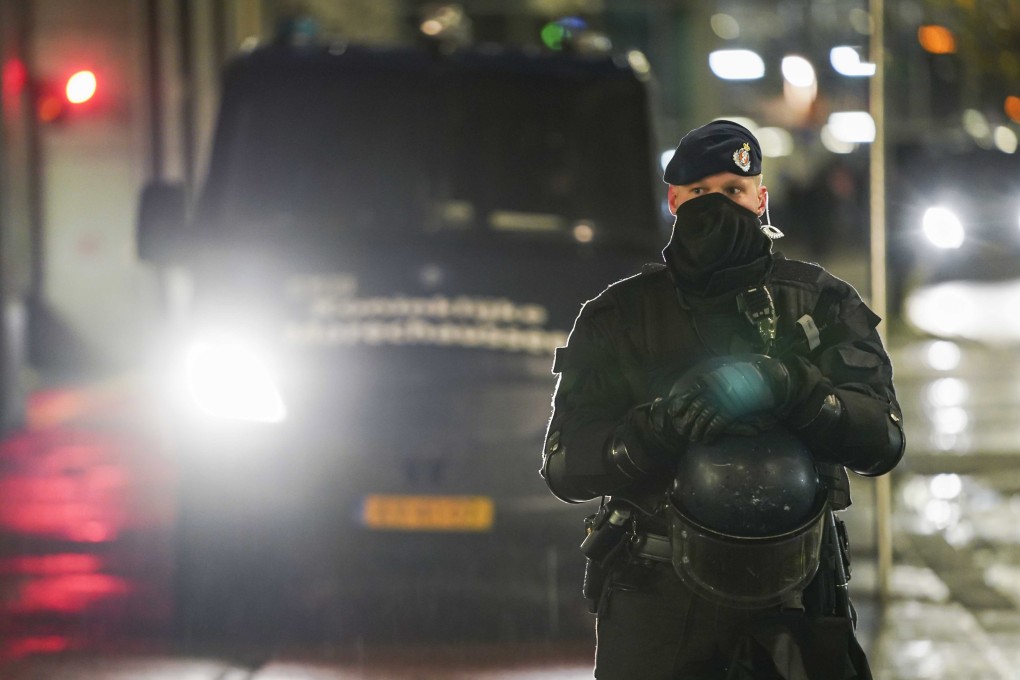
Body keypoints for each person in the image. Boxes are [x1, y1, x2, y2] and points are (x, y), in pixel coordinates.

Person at [540, 119, 904, 679]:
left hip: (796, 595)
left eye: (733, 191)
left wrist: (795, 389)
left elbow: (883, 440)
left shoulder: (820, 303)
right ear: (673, 201)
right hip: (656, 595)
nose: (717, 206)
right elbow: (565, 465)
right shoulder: (618, 315)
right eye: (700, 193)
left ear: (760, 198)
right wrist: (655, 430)